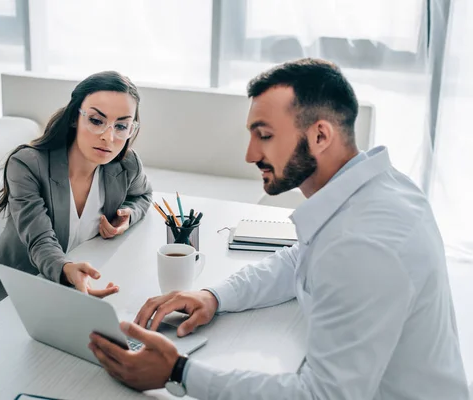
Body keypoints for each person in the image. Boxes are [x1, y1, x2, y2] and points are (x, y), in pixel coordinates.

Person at [88, 59, 469, 399]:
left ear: (320, 136)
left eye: (265, 135)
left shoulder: (364, 245)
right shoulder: (375, 191)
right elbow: (299, 259)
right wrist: (213, 296)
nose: (250, 155)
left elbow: (321, 396)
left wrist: (178, 372)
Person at [0, 71, 152, 326]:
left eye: (121, 126)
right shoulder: (27, 164)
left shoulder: (126, 164)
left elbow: (143, 195)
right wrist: (65, 269)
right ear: (74, 117)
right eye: (96, 121)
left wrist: (128, 215)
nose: (109, 137)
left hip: (72, 294)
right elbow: (40, 240)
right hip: (11, 296)